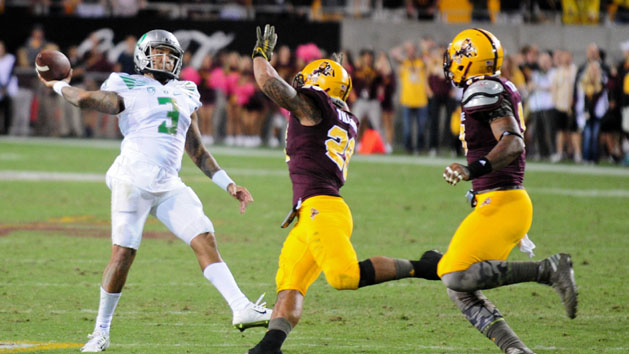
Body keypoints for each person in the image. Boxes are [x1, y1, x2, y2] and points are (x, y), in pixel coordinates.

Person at [37, 29, 272, 352]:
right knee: (123, 254)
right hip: (132, 178)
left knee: (204, 236)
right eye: (158, 52)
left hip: (168, 181)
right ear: (144, 56)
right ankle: (100, 332)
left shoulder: (187, 90)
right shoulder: (125, 83)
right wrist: (59, 84)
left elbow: (198, 150)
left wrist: (228, 184)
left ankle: (240, 306)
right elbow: (86, 100)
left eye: (169, 54)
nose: (164, 59)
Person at [248, 24, 442, 354]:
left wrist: (259, 55)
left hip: (321, 209)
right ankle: (268, 347)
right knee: (290, 283)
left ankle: (423, 266)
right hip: (309, 213)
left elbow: (270, 84)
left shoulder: (315, 107)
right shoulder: (343, 113)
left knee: (344, 277)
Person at [440, 28, 578, 353]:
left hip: (505, 202)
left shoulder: (483, 89)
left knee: (455, 275)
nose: (449, 62)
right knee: (459, 286)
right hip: (497, 201)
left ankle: (548, 269)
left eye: (456, 56)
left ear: (468, 61)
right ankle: (516, 350)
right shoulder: (492, 86)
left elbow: (513, 143)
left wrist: (473, 170)